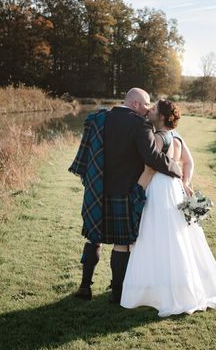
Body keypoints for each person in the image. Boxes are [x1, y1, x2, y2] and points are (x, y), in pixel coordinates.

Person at [120, 100, 216, 317]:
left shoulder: (155, 137)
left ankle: (157, 289)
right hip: (174, 188)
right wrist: (185, 182)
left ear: (162, 117)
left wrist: (138, 190)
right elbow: (189, 163)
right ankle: (179, 284)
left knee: (154, 234)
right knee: (176, 235)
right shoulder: (177, 138)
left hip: (159, 188)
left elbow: (149, 167)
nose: (149, 111)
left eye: (154, 109)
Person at [69, 88, 182, 302]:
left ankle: (85, 287)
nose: (148, 109)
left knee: (93, 237)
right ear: (136, 105)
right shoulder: (141, 125)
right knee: (121, 243)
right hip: (123, 191)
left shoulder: (97, 118)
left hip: (96, 188)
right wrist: (175, 168)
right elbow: (151, 157)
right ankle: (117, 292)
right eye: (146, 105)